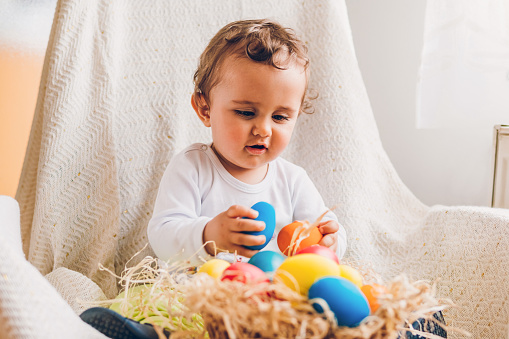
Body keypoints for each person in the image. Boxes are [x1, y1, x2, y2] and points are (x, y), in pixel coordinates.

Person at [147, 19, 347, 264]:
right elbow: (161, 236)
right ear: (205, 109)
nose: (263, 130)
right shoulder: (192, 167)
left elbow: (328, 230)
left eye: (280, 117)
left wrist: (329, 242)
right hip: (204, 293)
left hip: (270, 297)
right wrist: (209, 235)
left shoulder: (293, 180)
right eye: (246, 113)